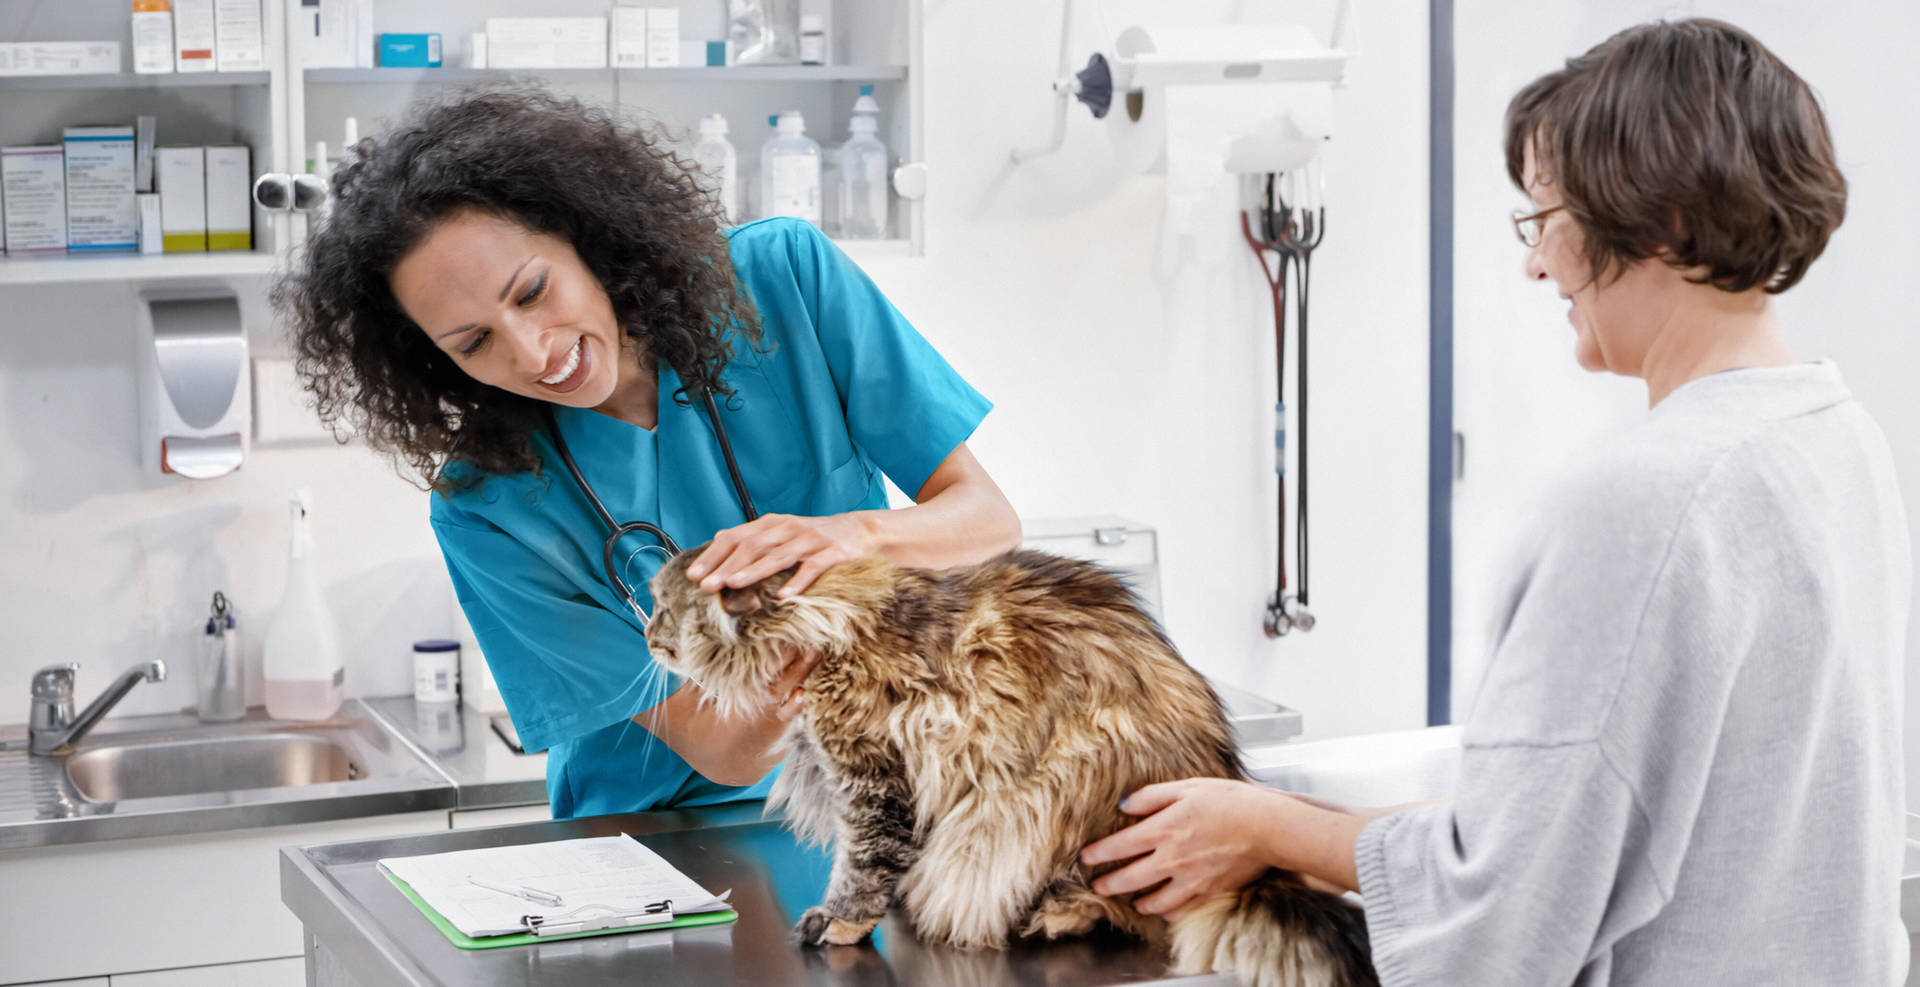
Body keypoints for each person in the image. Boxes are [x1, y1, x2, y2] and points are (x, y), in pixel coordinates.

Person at [1081, 18, 1910, 985]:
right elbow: (1590, 832)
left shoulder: (1644, 499)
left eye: (1547, 218)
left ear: (1663, 221)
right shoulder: (1834, 437)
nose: (1535, 263)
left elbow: (1503, 916)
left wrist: (1268, 823)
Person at [276, 89, 1020, 818]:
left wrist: (851, 537)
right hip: (656, 838)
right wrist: (804, 656)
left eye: (532, 291)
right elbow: (722, 750)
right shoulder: (485, 506)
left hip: (868, 797)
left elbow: (986, 521)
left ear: (583, 235)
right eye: (474, 342)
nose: (534, 352)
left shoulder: (783, 278)